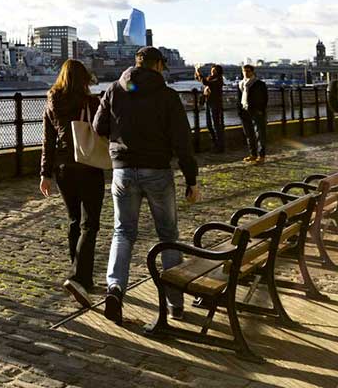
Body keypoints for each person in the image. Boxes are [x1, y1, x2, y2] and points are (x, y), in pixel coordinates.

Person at [94, 46, 199, 325]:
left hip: (123, 171)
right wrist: (191, 179)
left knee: (122, 232)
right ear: (158, 66)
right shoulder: (167, 95)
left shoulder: (115, 89)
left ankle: (114, 289)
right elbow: (182, 141)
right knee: (167, 235)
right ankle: (174, 303)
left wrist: (119, 137)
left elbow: (97, 126)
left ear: (136, 64)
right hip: (157, 171)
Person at [39, 59, 104, 306]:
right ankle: (80, 277)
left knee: (74, 220)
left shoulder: (52, 104)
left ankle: (77, 272)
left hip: (64, 168)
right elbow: (104, 131)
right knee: (91, 224)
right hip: (89, 166)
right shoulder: (92, 102)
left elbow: (47, 142)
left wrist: (45, 174)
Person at [238, 64, 269, 163]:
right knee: (249, 134)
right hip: (244, 110)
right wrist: (239, 110)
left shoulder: (259, 84)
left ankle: (261, 156)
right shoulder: (241, 84)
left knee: (260, 134)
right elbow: (239, 98)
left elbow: (265, 98)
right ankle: (253, 154)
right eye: (244, 71)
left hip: (256, 111)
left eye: (248, 71)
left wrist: (260, 110)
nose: (246, 73)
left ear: (252, 72)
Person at [194, 64, 226, 153]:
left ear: (218, 71)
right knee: (209, 125)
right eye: (212, 70)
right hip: (209, 103)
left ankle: (220, 146)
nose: (212, 71)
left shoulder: (218, 79)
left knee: (216, 125)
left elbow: (205, 82)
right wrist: (196, 71)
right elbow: (200, 79)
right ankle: (215, 144)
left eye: (214, 70)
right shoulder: (210, 78)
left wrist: (198, 71)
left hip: (215, 103)